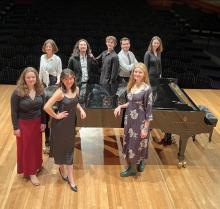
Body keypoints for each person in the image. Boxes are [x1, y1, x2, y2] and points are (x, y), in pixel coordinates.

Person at [44, 69, 86, 192]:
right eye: (66, 79)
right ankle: (70, 178)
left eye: (71, 78)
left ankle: (63, 170)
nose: (69, 81)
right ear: (62, 80)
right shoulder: (59, 92)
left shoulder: (76, 90)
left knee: (68, 150)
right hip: (60, 126)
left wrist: (81, 109)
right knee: (63, 149)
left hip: (70, 125)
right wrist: (56, 116)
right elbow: (46, 107)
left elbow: (75, 103)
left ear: (74, 79)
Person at [114, 63, 153, 177]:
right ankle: (140, 161)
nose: (137, 74)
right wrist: (120, 106)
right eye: (136, 72)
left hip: (140, 121)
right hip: (129, 119)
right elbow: (131, 102)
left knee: (138, 142)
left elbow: (149, 111)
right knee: (131, 141)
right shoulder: (132, 85)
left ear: (144, 74)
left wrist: (145, 128)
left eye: (140, 72)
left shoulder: (147, 89)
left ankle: (132, 169)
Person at [11, 67, 46, 186]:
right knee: (27, 148)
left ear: (36, 78)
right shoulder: (17, 92)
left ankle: (36, 165)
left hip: (37, 123)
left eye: (33, 77)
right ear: (24, 78)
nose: (31, 79)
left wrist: (43, 122)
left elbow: (43, 109)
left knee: (36, 146)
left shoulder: (40, 90)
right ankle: (31, 172)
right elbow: (14, 111)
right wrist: (16, 128)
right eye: (28, 77)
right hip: (24, 124)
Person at [39, 39, 62, 153]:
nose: (48, 48)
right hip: (43, 84)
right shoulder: (42, 57)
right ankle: (47, 141)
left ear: (53, 48)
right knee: (44, 112)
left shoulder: (57, 59)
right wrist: (38, 85)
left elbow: (59, 73)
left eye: (50, 47)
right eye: (47, 46)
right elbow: (40, 72)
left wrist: (58, 82)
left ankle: (55, 139)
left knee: (53, 112)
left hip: (53, 85)